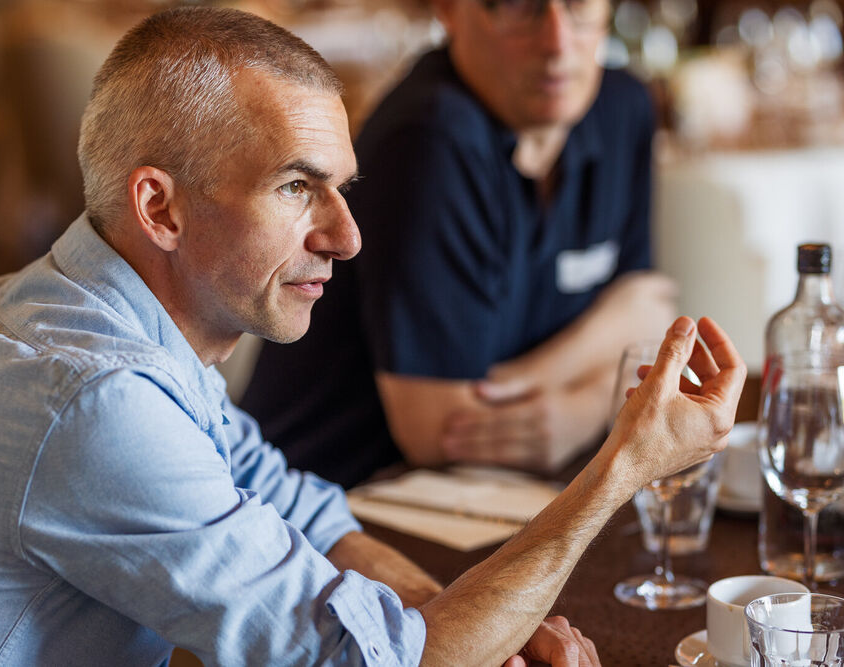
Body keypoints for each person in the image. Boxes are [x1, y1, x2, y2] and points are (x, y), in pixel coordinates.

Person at [0, 7, 744, 666]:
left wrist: (459, 614)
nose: (346, 236)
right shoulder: (97, 399)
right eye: (294, 188)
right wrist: (623, 466)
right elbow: (373, 663)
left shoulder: (83, 306)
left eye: (343, 188)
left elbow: (299, 507)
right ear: (158, 206)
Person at [240, 0, 678, 489]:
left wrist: (580, 405)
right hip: (330, 498)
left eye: (579, 5)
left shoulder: (624, 107)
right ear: (448, 10)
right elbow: (439, 433)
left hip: (497, 491)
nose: (558, 42)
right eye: (518, 7)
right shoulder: (429, 138)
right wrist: (608, 373)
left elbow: (652, 314)